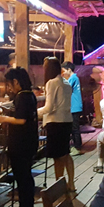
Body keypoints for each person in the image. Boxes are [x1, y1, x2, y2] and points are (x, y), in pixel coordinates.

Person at [0, 67, 39, 207]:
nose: (9, 88)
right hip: (29, 142)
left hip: (21, 143)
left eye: (9, 84)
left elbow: (21, 120)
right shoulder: (30, 95)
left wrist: (2, 118)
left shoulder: (22, 97)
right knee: (26, 178)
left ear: (16, 82)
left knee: (22, 179)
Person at [37, 57, 75, 192]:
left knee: (57, 157)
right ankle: (70, 183)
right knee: (65, 154)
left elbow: (49, 108)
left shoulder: (52, 83)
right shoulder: (66, 82)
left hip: (55, 123)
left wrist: (33, 112)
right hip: (67, 121)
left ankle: (60, 186)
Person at [61, 62, 83, 156]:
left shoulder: (73, 78)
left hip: (74, 106)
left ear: (69, 70)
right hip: (75, 106)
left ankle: (77, 147)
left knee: (75, 128)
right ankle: (77, 145)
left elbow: (66, 88)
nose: (63, 73)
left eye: (64, 71)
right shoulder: (74, 78)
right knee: (75, 127)